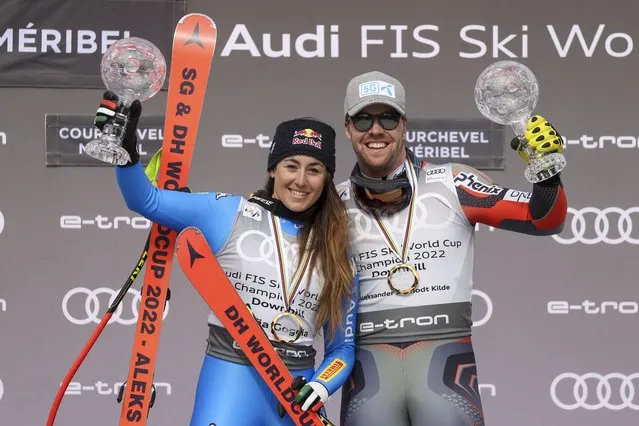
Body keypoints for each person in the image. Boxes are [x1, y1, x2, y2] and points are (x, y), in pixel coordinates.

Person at [93, 92, 359, 426]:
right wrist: (125, 149)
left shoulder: (337, 248)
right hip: (231, 377)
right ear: (273, 168)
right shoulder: (228, 212)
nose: (301, 181)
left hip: (295, 394)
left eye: (314, 169)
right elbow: (145, 200)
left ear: (327, 178)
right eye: (292, 166)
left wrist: (321, 386)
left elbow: (342, 349)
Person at [337, 71, 567, 426]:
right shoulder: (333, 203)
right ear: (349, 127)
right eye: (364, 118)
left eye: (388, 117)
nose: (376, 129)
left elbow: (544, 220)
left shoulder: (453, 182)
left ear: (404, 125)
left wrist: (547, 172)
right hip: (367, 369)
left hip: (444, 360)